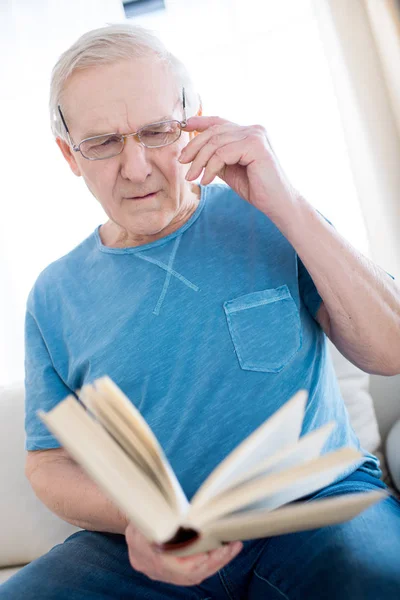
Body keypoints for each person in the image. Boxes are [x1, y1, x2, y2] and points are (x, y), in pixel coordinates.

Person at [2, 22, 400, 600]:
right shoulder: (53, 295)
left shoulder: (269, 214)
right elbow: (49, 462)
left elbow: (391, 349)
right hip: (146, 546)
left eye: (156, 131)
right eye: (104, 142)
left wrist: (284, 200)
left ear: (194, 121)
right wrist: (140, 520)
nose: (135, 167)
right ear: (70, 154)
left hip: (318, 503)